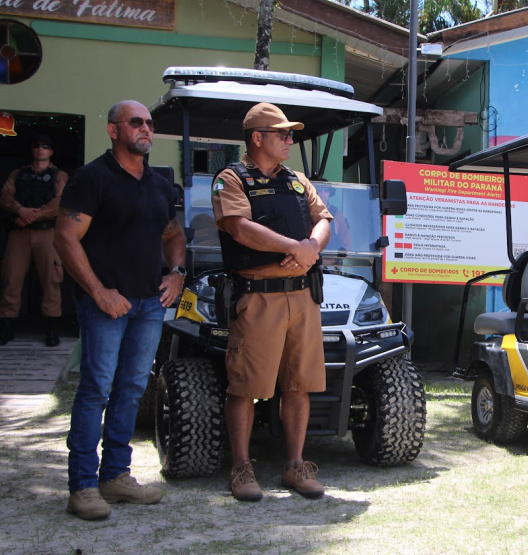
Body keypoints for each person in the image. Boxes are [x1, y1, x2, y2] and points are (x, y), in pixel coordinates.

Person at [54, 100, 187, 520]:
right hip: (106, 305)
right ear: (114, 131)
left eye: (149, 123)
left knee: (131, 389)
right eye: (136, 122)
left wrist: (178, 272)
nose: (145, 129)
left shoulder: (160, 185)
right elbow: (65, 238)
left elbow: (173, 233)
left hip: (149, 303)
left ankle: (115, 475)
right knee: (96, 389)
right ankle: (83, 486)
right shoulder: (91, 178)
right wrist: (98, 292)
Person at [211, 103, 332, 502]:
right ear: (257, 138)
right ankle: (242, 469)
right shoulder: (232, 178)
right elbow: (239, 228)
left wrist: (311, 247)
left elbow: (323, 218)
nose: (289, 139)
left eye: (290, 133)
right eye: (281, 133)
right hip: (258, 299)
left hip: (302, 296)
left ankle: (295, 466)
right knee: (245, 386)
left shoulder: (297, 180)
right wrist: (295, 247)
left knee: (299, 385)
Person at [0, 134, 67, 346]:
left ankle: (51, 329)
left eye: (45, 146)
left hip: (46, 233)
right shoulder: (19, 174)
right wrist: (20, 210)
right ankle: (7, 326)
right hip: (19, 233)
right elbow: (5, 197)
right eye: (37, 146)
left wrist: (32, 215)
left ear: (51, 151)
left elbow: (60, 203)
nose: (41, 149)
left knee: (51, 280)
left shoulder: (59, 175)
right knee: (11, 278)